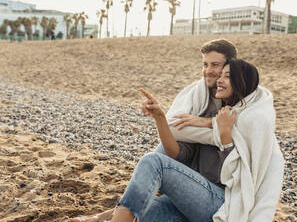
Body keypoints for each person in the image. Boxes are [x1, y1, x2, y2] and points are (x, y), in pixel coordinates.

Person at [72, 58, 284, 222]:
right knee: (144, 215)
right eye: (218, 74)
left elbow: (240, 180)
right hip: (192, 199)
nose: (218, 79)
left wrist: (226, 138)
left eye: (226, 76)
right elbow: (178, 154)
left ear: (241, 81)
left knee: (152, 162)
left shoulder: (251, 122)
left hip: (221, 205)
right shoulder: (209, 114)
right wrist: (165, 118)